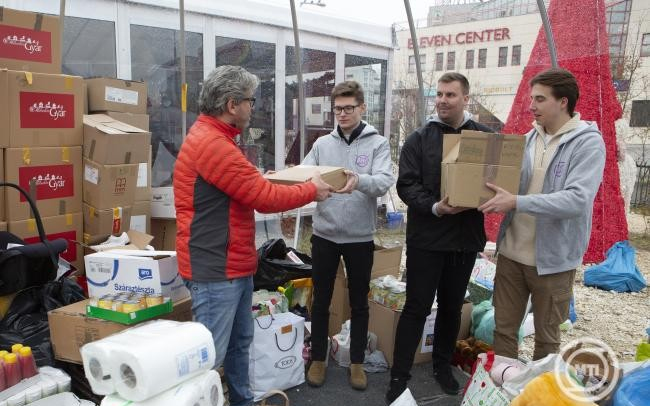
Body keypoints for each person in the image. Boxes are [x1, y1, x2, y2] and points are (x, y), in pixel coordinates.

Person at [173, 65, 332, 406]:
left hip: (228, 265)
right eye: (250, 100)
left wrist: (268, 178)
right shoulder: (214, 145)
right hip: (217, 270)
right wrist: (311, 190)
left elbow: (246, 186)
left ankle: (242, 400)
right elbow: (263, 198)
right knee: (208, 362)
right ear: (232, 104)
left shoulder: (213, 139)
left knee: (238, 344)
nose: (253, 107)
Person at [478, 68, 606, 360]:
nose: (531, 106)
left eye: (539, 99)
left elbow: (576, 199)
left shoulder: (587, 143)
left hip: (552, 261)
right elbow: (506, 185)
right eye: (531, 98)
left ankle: (538, 394)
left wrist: (517, 202)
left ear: (563, 102)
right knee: (503, 330)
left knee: (547, 340)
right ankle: (503, 388)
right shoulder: (527, 140)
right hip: (511, 254)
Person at [386, 72, 493, 403]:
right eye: (440, 95)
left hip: (464, 240)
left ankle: (442, 366)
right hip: (427, 240)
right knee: (416, 307)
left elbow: (495, 179)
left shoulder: (486, 138)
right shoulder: (419, 138)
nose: (444, 100)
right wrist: (435, 206)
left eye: (451, 95)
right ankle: (399, 376)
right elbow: (406, 185)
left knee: (451, 308)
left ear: (466, 99)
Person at [304, 80, 395, 390]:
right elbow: (306, 174)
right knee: (321, 300)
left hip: (359, 237)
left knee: (359, 302)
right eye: (337, 109)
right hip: (325, 234)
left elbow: (384, 181)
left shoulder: (377, 143)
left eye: (348, 108)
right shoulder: (322, 144)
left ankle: (356, 362)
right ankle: (318, 358)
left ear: (362, 107)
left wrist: (360, 181)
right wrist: (294, 180)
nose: (341, 114)